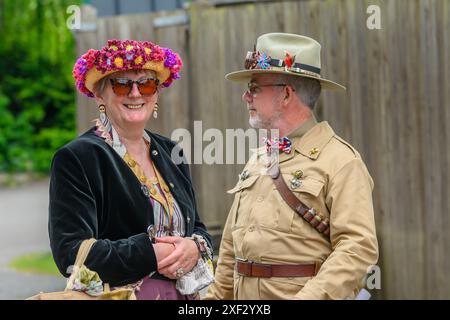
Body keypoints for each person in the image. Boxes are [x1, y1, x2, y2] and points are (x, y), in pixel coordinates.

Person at [205, 33, 378, 300]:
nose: (245, 97)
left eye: (254, 87)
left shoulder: (342, 161)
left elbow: (357, 249)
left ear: (285, 94)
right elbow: (231, 247)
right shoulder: (261, 157)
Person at [49, 39, 213, 300]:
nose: (136, 94)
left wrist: (195, 246)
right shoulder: (78, 157)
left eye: (146, 84)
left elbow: (198, 226)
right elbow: (69, 251)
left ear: (156, 94)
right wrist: (149, 254)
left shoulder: (173, 152)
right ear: (100, 94)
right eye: (122, 84)